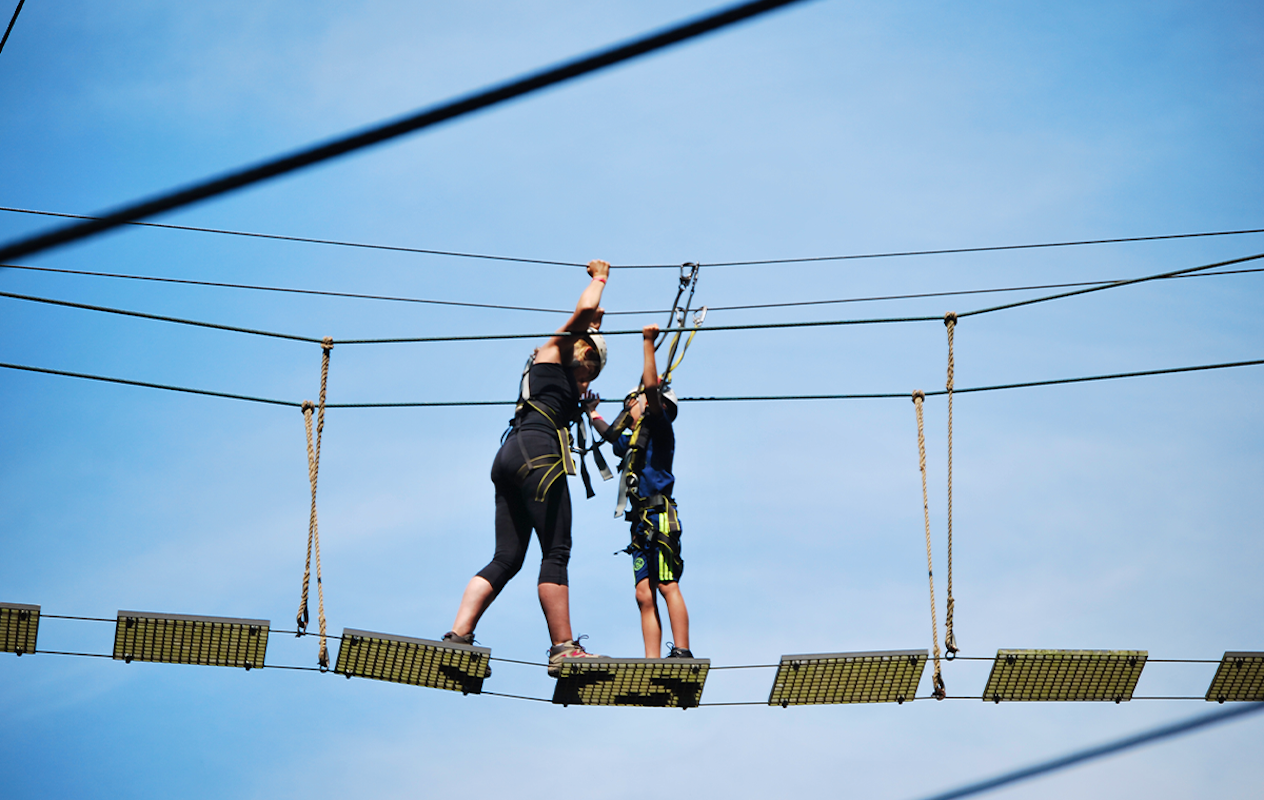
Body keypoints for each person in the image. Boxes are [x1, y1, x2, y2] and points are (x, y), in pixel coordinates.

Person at [445, 260, 610, 676]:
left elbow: (589, 324)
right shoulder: (553, 351)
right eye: (588, 368)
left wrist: (595, 325)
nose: (587, 380)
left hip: (509, 456)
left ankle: (458, 636)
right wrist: (600, 278)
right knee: (555, 551)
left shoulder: (552, 377)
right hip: (538, 455)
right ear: (580, 354)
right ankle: (564, 648)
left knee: (506, 557)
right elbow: (583, 313)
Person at [588, 323, 692, 659]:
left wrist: (648, 343)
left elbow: (650, 387)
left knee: (666, 584)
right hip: (639, 525)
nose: (627, 407)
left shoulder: (660, 429)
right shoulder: (635, 442)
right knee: (644, 594)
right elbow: (610, 435)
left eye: (631, 402)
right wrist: (591, 412)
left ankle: (682, 650)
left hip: (659, 517)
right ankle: (651, 660)